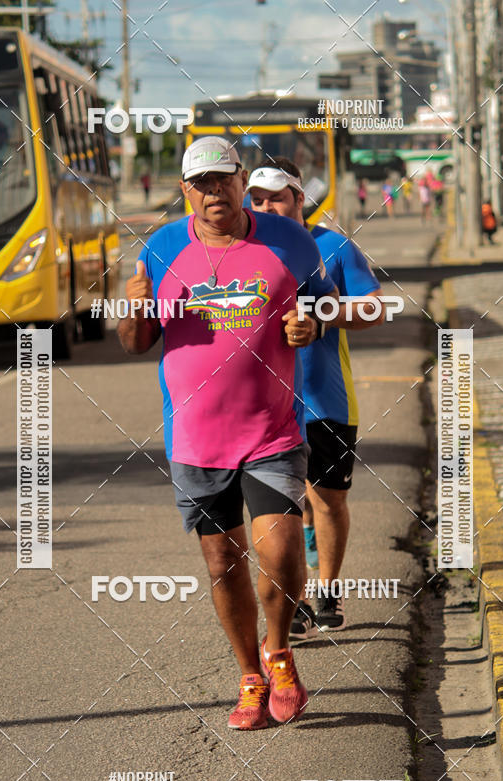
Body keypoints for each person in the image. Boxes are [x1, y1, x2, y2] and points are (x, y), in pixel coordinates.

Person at [119, 137, 339, 730]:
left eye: (223, 179)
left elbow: (325, 307)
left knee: (283, 554)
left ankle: (279, 650)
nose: (214, 192)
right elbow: (137, 343)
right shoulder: (161, 250)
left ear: (241, 180)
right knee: (222, 561)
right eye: (201, 183)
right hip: (194, 438)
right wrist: (134, 310)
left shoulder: (289, 239)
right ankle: (249, 676)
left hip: (271, 430)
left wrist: (308, 326)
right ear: (186, 191)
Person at [246, 157, 384, 638]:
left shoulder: (335, 246)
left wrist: (322, 319)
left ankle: (327, 588)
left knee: (326, 500)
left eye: (276, 198)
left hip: (325, 399)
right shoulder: (243, 253)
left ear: (298, 199)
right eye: (257, 199)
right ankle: (295, 601)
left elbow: (373, 306)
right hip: (266, 405)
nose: (265, 206)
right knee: (279, 507)